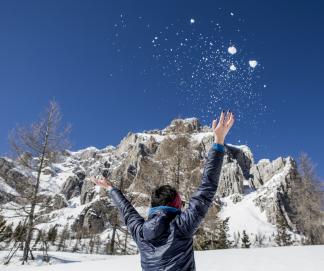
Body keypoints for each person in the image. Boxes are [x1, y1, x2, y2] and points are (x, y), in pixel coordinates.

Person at [92, 110, 235, 271]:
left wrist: (111, 189)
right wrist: (218, 141)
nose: (182, 207)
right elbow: (207, 188)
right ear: (175, 205)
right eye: (181, 204)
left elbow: (127, 212)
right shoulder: (181, 227)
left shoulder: (141, 233)